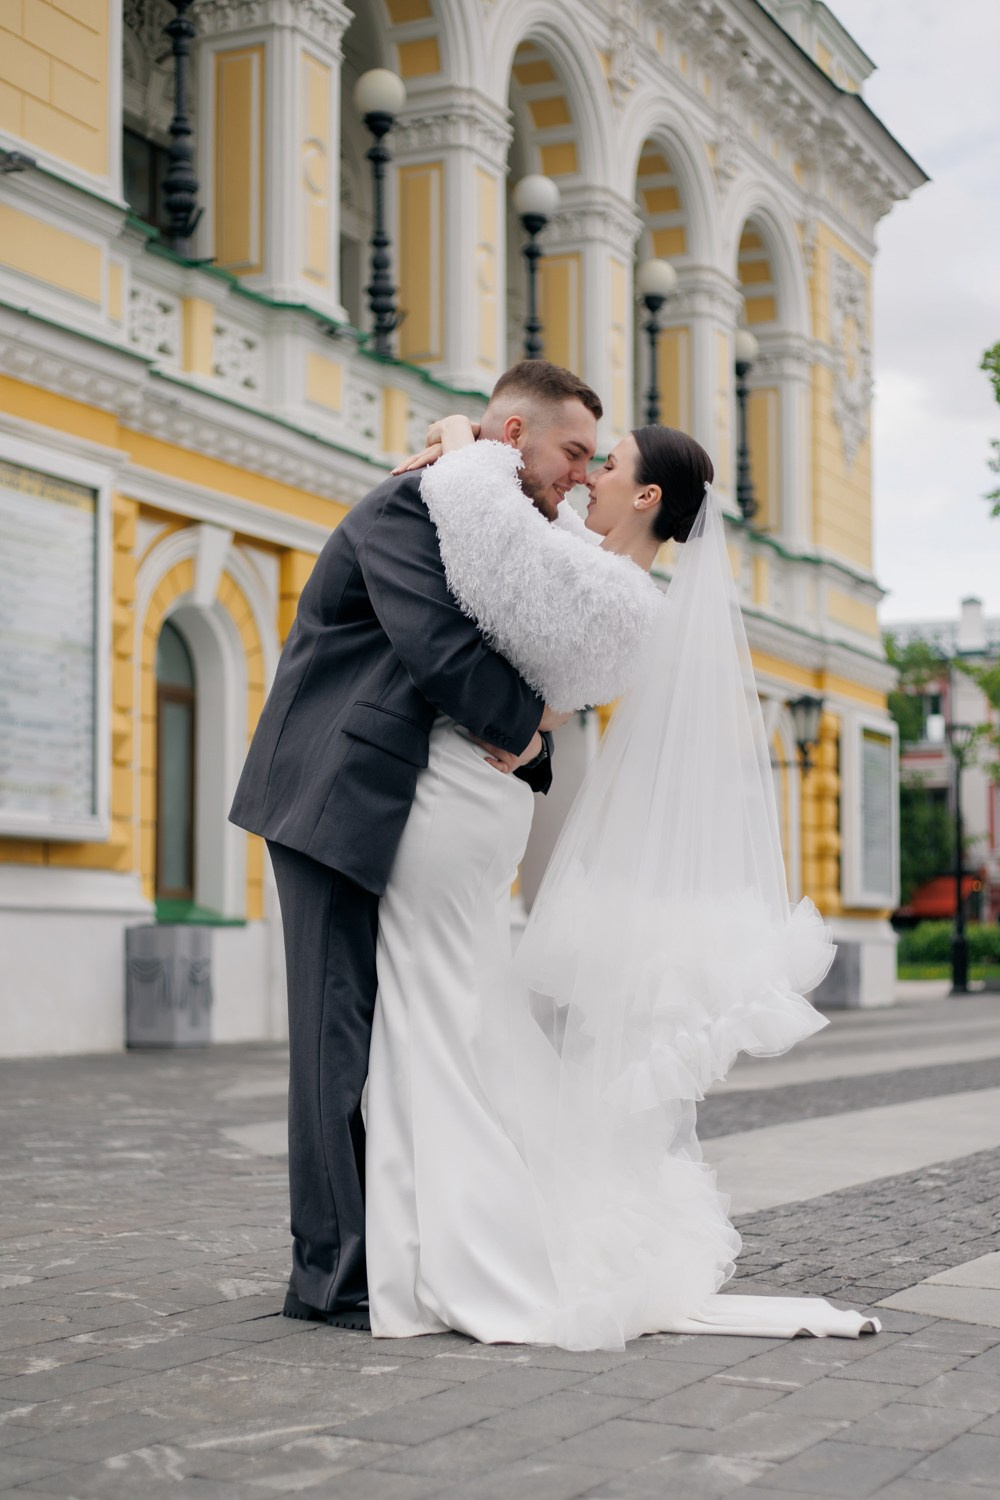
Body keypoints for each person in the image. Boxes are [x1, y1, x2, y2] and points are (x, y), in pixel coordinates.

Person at [364, 416, 881, 1349]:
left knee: (438, 1020)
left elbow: (492, 546)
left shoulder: (609, 588)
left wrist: (462, 441)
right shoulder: (595, 567)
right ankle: (444, 1223)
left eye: (610, 465)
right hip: (483, 803)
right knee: (460, 1018)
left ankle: (468, 1239)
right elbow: (526, 569)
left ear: (646, 497)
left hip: (464, 803)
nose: (590, 474)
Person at [228, 362, 604, 1330]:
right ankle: (330, 1276)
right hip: (331, 794)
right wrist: (526, 735)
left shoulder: (472, 507)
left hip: (391, 795)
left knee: (380, 1031)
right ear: (514, 434)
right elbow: (437, 645)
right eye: (572, 451)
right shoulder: (410, 505)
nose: (582, 473)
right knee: (335, 1033)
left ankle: (389, 1245)